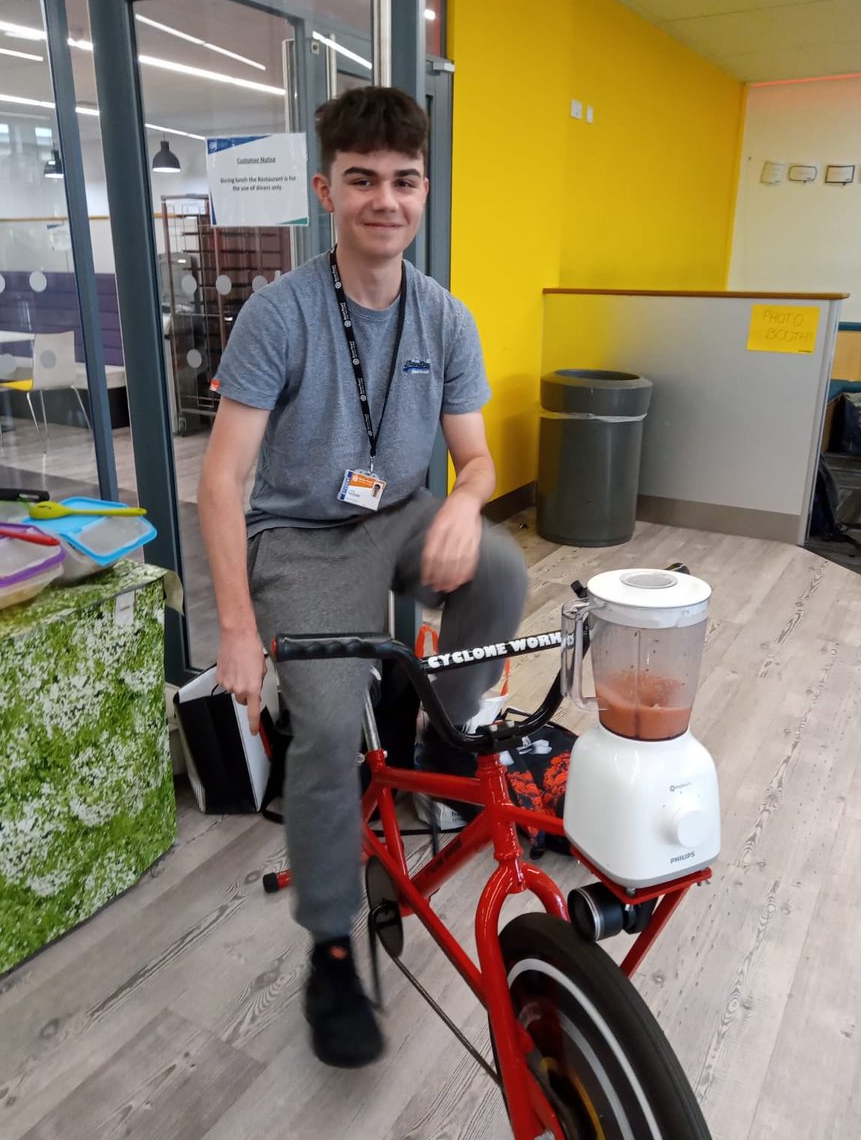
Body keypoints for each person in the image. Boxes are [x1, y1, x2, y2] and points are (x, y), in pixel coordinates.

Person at [198, 85, 527, 1069]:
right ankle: (334, 944)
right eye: (363, 180)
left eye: (404, 180)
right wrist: (238, 630)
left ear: (425, 190)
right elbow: (221, 483)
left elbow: (477, 463)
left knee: (502, 574)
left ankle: (441, 733)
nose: (386, 199)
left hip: (406, 513)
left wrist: (467, 505)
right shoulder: (278, 314)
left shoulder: (445, 318)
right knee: (332, 728)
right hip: (302, 536)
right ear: (325, 190)